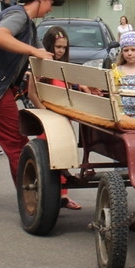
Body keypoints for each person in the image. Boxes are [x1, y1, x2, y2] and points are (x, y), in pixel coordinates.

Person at [0, 0, 63, 218]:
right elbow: (0, 37)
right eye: (50, 2)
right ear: (39, 0)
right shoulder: (18, 15)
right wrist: (33, 51)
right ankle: (34, 201)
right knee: (17, 145)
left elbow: (45, 56)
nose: (51, 8)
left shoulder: (28, 25)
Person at [41, 26, 80, 210]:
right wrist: (45, 115)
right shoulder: (42, 66)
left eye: (64, 48)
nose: (61, 51)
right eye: (57, 47)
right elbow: (33, 93)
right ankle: (51, 198)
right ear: (49, 45)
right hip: (49, 122)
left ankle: (64, 196)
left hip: (64, 119)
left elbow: (73, 86)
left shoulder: (64, 67)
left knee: (64, 156)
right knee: (51, 160)